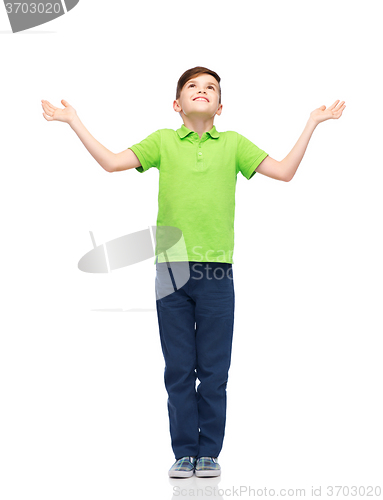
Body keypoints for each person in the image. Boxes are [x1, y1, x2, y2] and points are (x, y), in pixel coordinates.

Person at [41, 66, 345, 478]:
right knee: (180, 367)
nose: (202, 91)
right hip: (171, 270)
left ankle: (209, 453)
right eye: (193, 87)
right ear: (177, 104)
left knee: (215, 369)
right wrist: (74, 120)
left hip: (218, 269)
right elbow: (112, 163)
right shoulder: (164, 141)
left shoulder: (234, 144)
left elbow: (285, 171)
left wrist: (311, 123)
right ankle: (185, 451)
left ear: (220, 106)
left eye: (210, 88)